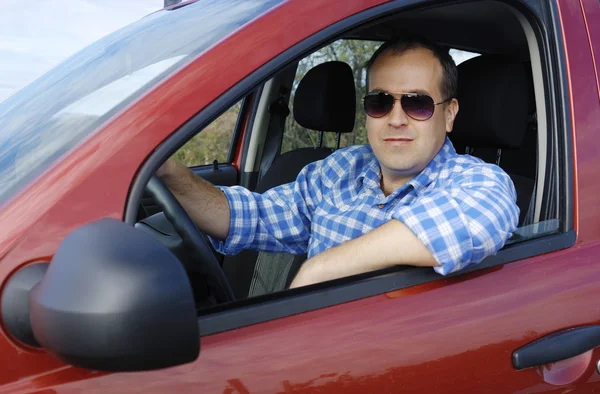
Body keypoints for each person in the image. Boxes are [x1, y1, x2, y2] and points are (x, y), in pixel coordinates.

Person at [157, 34, 519, 289]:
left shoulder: (479, 181)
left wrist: (318, 268)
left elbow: (473, 221)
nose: (396, 118)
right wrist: (171, 175)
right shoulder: (340, 169)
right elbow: (256, 217)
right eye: (380, 102)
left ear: (450, 114)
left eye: (417, 103)